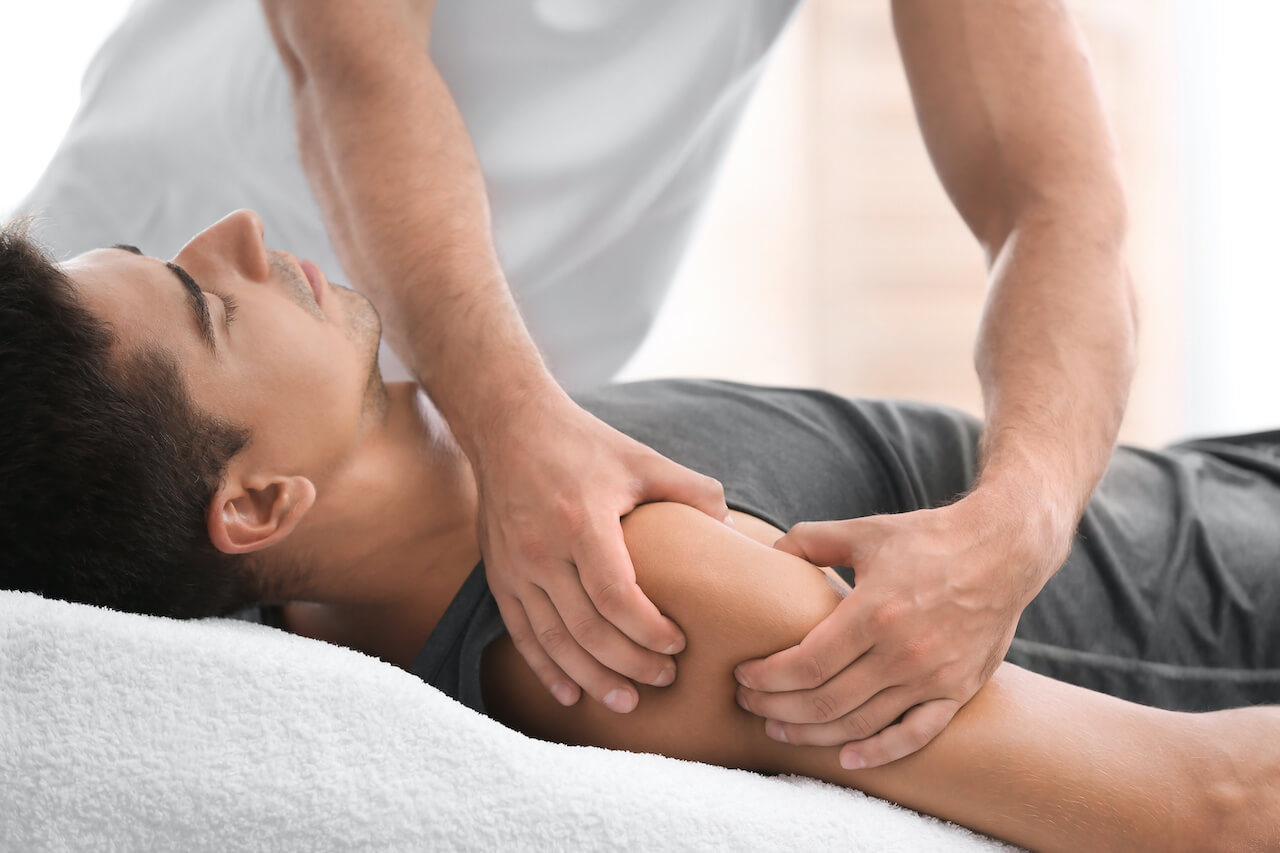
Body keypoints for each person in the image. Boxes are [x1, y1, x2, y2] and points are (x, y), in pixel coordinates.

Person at [14, 0, 1136, 765]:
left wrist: (1018, 521)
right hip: (150, 366)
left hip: (493, 440)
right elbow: (355, 67)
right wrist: (510, 422)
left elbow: (1054, 204)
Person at [0, 211, 1274, 851]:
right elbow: (1210, 800)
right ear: (261, 505)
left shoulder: (426, 510)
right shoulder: (624, 604)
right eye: (202, 303)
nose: (230, 233)